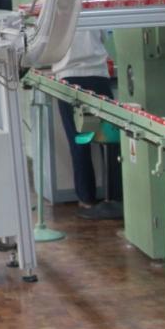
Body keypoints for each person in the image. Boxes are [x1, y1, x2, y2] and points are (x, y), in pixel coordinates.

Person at [53, 29, 112, 209]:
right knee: (109, 140)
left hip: (68, 78)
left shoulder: (54, 14)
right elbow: (105, 35)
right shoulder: (94, 12)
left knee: (78, 141)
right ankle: (115, 196)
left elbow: (46, 45)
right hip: (98, 75)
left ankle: (87, 199)